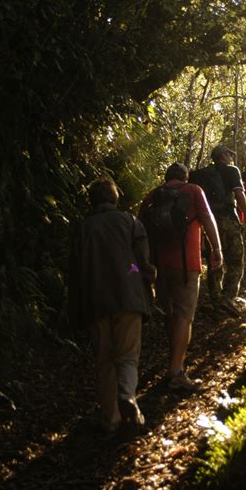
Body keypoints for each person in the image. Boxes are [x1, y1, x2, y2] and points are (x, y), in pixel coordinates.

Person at [68, 178, 156, 435]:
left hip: (95, 301)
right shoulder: (129, 222)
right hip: (129, 297)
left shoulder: (82, 229)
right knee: (128, 356)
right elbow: (139, 261)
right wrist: (141, 273)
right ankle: (128, 397)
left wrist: (73, 311)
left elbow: (74, 272)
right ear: (115, 197)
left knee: (104, 359)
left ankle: (111, 418)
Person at [138, 162, 223, 393]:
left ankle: (176, 362)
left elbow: (140, 232)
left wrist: (141, 268)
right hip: (187, 265)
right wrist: (217, 250)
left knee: (170, 314)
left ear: (166, 178)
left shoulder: (152, 196)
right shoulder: (194, 191)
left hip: (159, 266)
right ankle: (175, 371)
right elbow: (207, 219)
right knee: (185, 316)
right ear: (184, 177)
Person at [191, 144, 246, 317]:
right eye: (229, 154)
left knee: (214, 261)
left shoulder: (201, 175)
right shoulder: (232, 171)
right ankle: (228, 297)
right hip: (227, 220)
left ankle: (217, 300)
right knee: (235, 260)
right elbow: (239, 194)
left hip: (208, 223)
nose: (231, 157)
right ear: (223, 156)